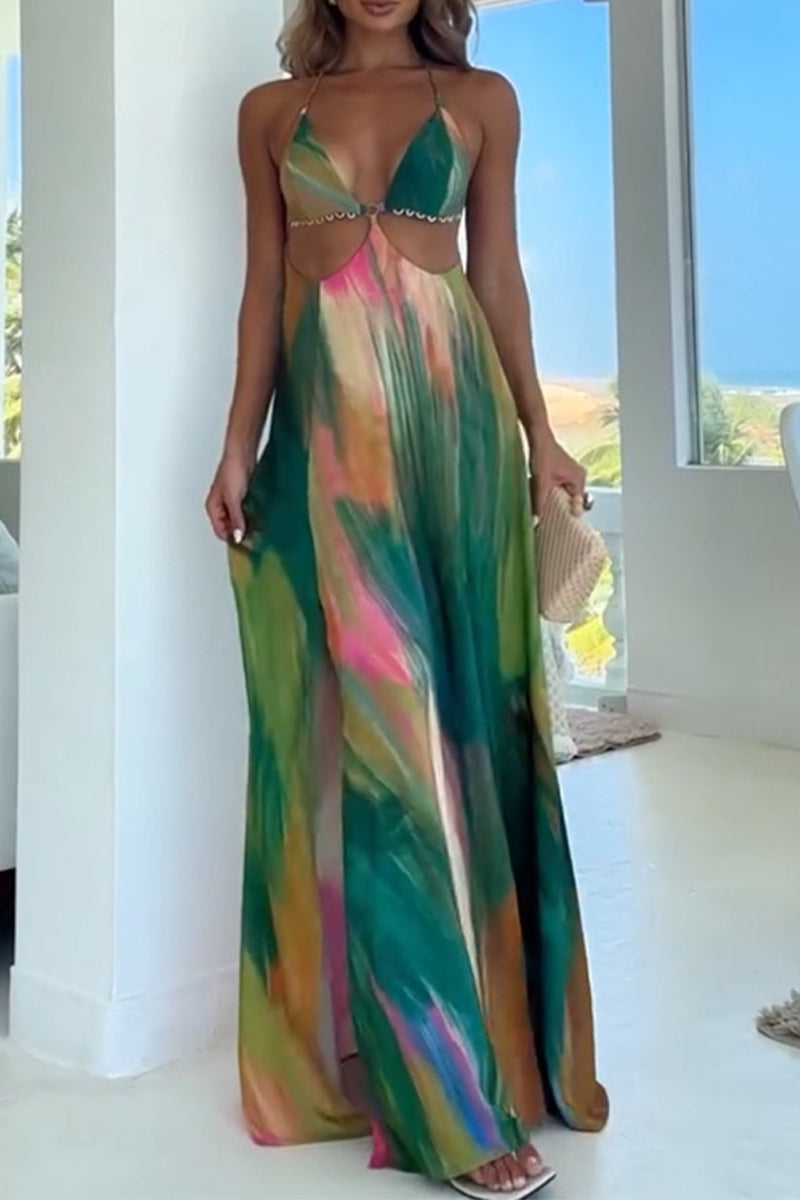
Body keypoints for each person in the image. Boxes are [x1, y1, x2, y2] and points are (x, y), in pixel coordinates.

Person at [206, 0, 609, 1194]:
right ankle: (447, 1103)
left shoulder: (481, 101)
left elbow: (498, 278)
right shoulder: (270, 113)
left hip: (456, 434)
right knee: (387, 758)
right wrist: (237, 444)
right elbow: (264, 291)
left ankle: (498, 1049)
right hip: (333, 452)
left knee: (471, 736)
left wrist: (538, 432)